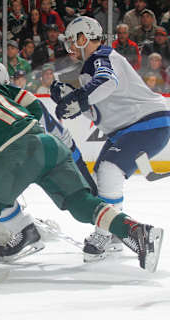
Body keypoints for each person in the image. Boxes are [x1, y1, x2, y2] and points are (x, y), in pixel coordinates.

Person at [0, 66, 163, 284]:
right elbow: (32, 104)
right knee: (82, 204)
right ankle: (136, 231)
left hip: (14, 154)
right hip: (49, 144)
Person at [52, 16, 169, 263]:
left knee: (108, 170)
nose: (70, 46)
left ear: (84, 37)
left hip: (146, 123)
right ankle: (117, 229)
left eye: (73, 40)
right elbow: (96, 107)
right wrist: (72, 97)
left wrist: (78, 98)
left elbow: (105, 82)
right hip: (133, 128)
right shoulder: (90, 68)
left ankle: (104, 233)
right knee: (100, 181)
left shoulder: (101, 57)